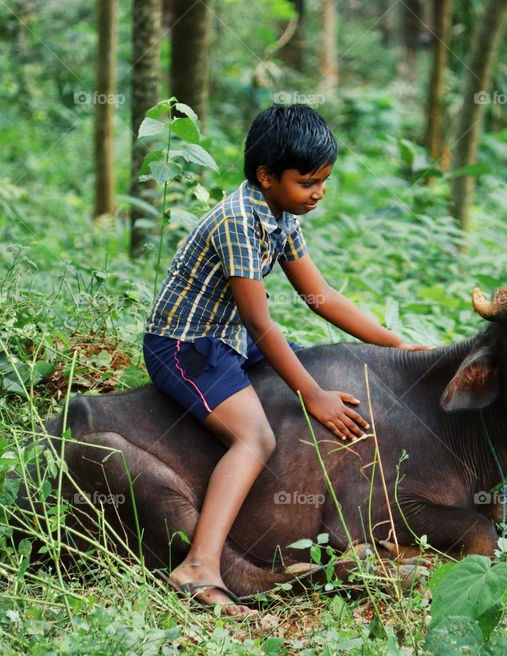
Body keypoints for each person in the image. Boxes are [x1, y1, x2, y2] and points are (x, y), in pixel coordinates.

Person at [142, 104, 429, 616]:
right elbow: (261, 325)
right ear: (267, 177)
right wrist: (311, 395)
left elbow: (322, 296)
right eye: (307, 182)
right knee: (255, 436)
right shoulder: (236, 222)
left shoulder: (279, 216)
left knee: (314, 366)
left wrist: (394, 344)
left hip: (228, 334)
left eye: (324, 181)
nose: (318, 192)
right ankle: (198, 567)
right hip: (188, 345)